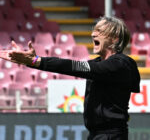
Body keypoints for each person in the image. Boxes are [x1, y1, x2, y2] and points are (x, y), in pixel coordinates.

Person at [0, 16, 140, 140]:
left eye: (100, 31)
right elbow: (66, 66)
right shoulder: (98, 64)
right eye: (94, 30)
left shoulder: (122, 64)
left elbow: (75, 66)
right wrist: (30, 62)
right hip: (96, 135)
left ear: (114, 39)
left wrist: (36, 60)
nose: (93, 34)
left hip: (112, 135)